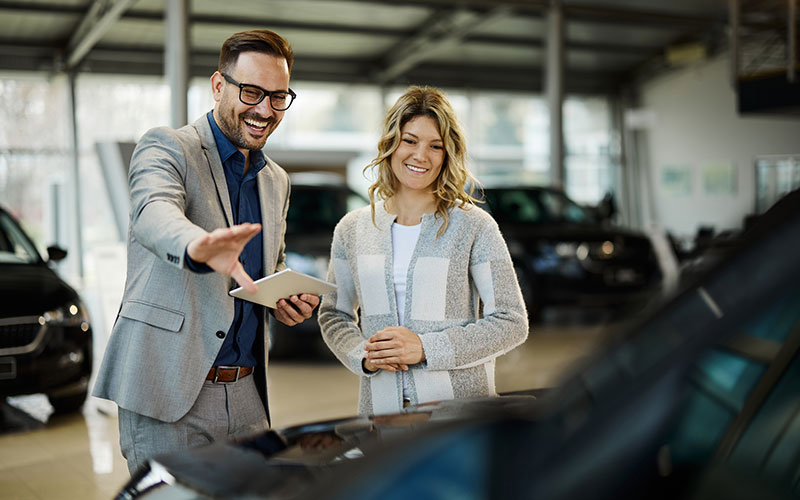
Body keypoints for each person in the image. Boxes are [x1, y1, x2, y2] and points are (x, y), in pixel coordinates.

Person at [92, 29, 319, 475]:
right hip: (169, 391)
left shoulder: (276, 180)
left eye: (278, 97)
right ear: (219, 86)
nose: (265, 110)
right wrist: (197, 246)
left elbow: (267, 268)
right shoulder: (168, 146)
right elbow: (154, 213)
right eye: (252, 92)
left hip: (250, 394)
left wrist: (284, 300)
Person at [318, 86, 529, 415]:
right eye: (410, 140)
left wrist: (426, 348)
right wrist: (363, 355)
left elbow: (512, 322)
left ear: (447, 154)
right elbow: (334, 315)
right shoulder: (352, 229)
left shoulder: (475, 227)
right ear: (391, 143)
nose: (421, 155)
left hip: (459, 415)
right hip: (381, 413)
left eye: (435, 146)